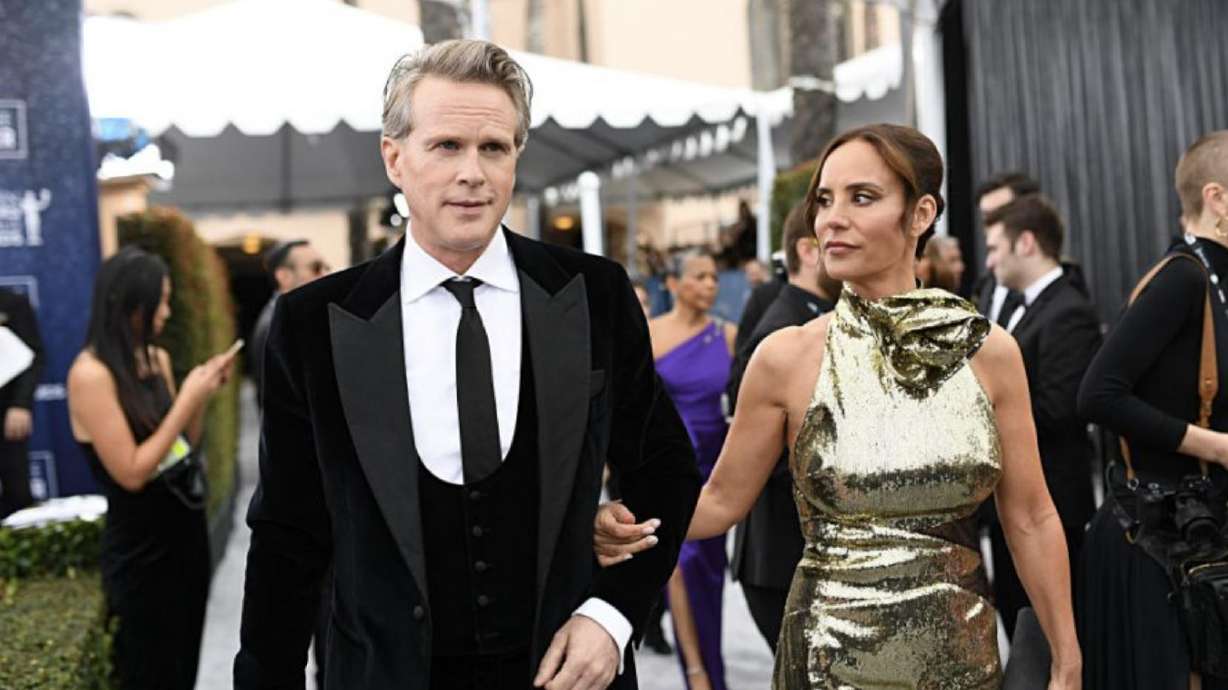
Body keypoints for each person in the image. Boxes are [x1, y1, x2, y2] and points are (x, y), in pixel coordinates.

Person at [233, 39, 700, 690]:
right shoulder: (314, 323)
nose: (472, 173)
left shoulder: (592, 294)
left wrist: (612, 615)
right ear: (395, 159)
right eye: (446, 145)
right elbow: (287, 536)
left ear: (516, 157)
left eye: (494, 148)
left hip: (565, 674)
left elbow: (666, 471)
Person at [601, 124, 1082, 688]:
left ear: (921, 213)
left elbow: (1030, 515)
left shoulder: (989, 352)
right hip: (829, 662)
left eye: (862, 197)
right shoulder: (784, 357)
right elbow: (720, 502)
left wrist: (1066, 655)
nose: (831, 218)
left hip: (961, 659)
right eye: (824, 200)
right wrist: (614, 520)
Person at [1077, 131, 1228, 690]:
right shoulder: (1183, 277)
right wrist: (1216, 446)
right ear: (1218, 198)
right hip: (1157, 548)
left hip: (1195, 539)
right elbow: (1098, 394)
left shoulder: (1212, 279)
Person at [66, 247, 236, 689]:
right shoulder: (90, 375)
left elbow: (181, 446)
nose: (166, 311)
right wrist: (186, 401)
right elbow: (132, 471)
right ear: (131, 305)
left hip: (184, 535)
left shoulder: (155, 359)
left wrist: (202, 396)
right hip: (140, 554)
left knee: (183, 670)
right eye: (160, 300)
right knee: (149, 674)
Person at [983, 193, 1100, 638]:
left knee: (1047, 639)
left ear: (1026, 243)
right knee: (1019, 627)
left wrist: (981, 410)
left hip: (1051, 504)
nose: (990, 261)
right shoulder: (1021, 307)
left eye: (996, 248)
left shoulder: (1068, 312)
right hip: (1016, 503)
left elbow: (1059, 409)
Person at [727, 201, 839, 651]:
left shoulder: (811, 316)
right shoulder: (783, 331)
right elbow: (763, 451)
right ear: (809, 251)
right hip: (783, 559)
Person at [648, 249, 735, 690]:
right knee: (678, 569)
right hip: (668, 472)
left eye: (715, 277)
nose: (710, 285)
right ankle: (697, 677)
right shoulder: (649, 335)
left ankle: (711, 673)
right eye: (699, 276)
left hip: (716, 475)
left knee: (710, 580)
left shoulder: (727, 336)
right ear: (674, 283)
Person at [248, 239, 329, 402]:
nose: (325, 275)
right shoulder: (278, 325)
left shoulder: (286, 318)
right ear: (284, 276)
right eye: (316, 268)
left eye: (326, 268)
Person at [973, 172, 1040, 324]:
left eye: (1000, 215)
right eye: (986, 218)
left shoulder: (1059, 290)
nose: (991, 226)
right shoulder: (986, 285)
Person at [0, 287, 43, 519]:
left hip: (6, 415)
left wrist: (20, 404)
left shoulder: (11, 302)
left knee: (17, 495)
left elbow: (33, 357)